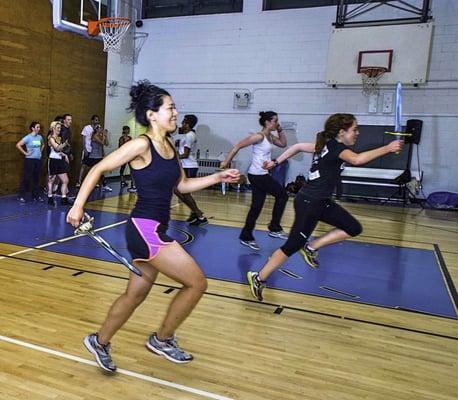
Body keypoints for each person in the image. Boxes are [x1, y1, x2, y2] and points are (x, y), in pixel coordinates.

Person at [66, 80, 239, 372]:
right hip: (145, 230)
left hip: (153, 228)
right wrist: (77, 206)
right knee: (197, 283)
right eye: (170, 108)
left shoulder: (168, 145)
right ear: (152, 114)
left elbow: (181, 184)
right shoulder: (141, 144)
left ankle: (100, 340)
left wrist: (217, 178)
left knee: (135, 294)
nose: (175, 113)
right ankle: (163, 339)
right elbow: (98, 168)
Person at [246, 113, 403, 301]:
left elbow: (297, 147)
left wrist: (275, 162)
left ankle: (312, 247)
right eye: (354, 129)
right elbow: (358, 159)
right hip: (309, 202)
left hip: (320, 201)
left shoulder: (326, 145)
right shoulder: (337, 148)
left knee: (353, 228)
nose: (357, 133)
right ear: (342, 132)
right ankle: (259, 277)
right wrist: (387, 148)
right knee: (293, 245)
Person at [220, 111, 288, 251]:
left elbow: (283, 144)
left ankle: (246, 236)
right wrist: (226, 161)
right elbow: (238, 146)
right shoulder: (259, 136)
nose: (277, 123)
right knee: (282, 195)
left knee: (256, 206)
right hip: (257, 175)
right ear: (267, 122)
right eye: (275, 121)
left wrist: (280, 130)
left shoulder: (270, 137)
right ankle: (274, 227)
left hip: (260, 174)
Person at [174, 115, 208, 226]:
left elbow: (186, 154)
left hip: (189, 166)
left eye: (183, 123)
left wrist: (173, 156)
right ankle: (194, 211)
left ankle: (200, 216)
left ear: (187, 124)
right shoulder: (188, 135)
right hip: (185, 166)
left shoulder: (189, 136)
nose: (182, 125)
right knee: (176, 190)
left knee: (184, 192)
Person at [16, 121, 45, 202]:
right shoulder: (28, 137)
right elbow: (18, 145)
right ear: (32, 128)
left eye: (39, 127)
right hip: (29, 160)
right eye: (37, 127)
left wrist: (40, 152)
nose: (39, 129)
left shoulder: (39, 137)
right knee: (27, 178)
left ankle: (35, 196)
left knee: (36, 178)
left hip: (38, 160)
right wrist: (26, 153)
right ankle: (21, 196)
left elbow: (43, 144)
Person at [47, 121, 71, 206]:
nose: (59, 130)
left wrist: (65, 155)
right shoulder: (51, 138)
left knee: (65, 180)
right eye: (58, 128)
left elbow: (59, 151)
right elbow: (57, 148)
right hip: (53, 161)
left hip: (60, 160)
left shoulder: (59, 138)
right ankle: (50, 197)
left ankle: (64, 198)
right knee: (51, 180)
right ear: (53, 128)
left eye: (60, 128)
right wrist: (64, 144)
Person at [86, 125, 112, 192]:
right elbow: (102, 143)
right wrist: (103, 135)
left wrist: (105, 136)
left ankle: (103, 185)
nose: (101, 129)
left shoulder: (100, 136)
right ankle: (90, 185)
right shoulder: (94, 136)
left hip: (99, 156)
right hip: (94, 156)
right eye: (100, 128)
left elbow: (107, 144)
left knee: (100, 172)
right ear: (97, 129)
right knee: (95, 172)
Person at [78, 115, 100, 187]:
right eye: (96, 120)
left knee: (94, 167)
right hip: (87, 148)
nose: (97, 121)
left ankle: (93, 182)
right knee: (84, 165)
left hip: (95, 151)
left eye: (98, 120)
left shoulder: (98, 128)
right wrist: (85, 149)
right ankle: (79, 181)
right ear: (92, 120)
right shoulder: (87, 128)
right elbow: (84, 139)